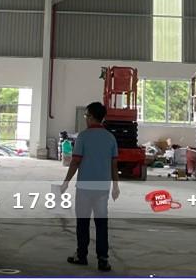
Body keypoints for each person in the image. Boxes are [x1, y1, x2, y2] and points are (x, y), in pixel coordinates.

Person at [60, 102, 121, 272]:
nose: (86, 118)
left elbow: (75, 162)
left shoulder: (83, 137)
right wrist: (115, 186)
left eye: (87, 116)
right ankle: (103, 259)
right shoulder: (110, 138)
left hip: (85, 188)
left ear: (92, 117)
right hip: (102, 188)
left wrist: (65, 182)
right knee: (101, 223)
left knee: (83, 222)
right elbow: (114, 165)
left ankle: (81, 255)